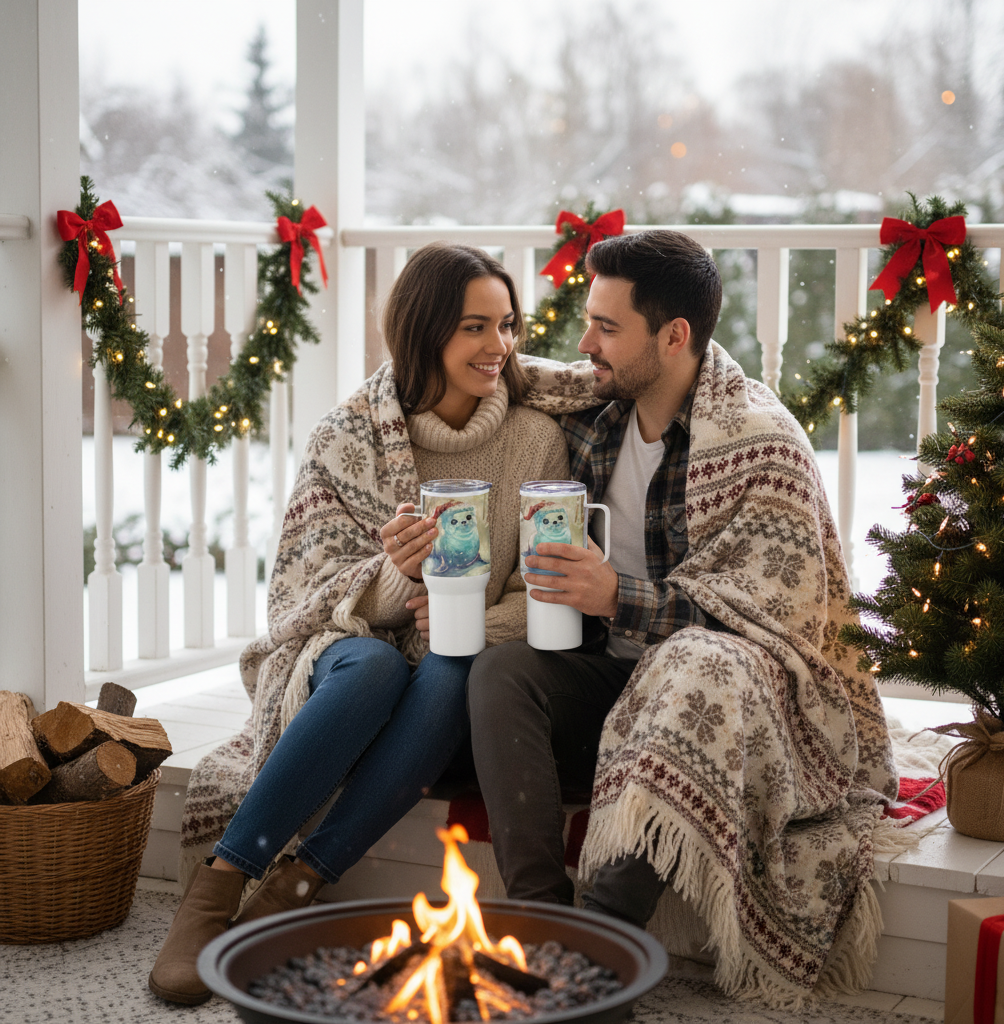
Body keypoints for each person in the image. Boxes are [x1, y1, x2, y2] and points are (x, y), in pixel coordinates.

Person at [467, 229, 899, 1005]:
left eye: (606, 327)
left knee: (699, 661)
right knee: (503, 670)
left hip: (732, 705)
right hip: (613, 677)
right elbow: (496, 379)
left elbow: (772, 626)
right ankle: (540, 930)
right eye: (588, 320)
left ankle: (599, 957)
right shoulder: (595, 415)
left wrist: (616, 596)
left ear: (674, 337)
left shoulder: (763, 445)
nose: (585, 342)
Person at [150, 242, 570, 1005]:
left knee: (454, 658)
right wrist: (395, 573)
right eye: (475, 327)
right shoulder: (349, 435)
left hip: (459, 657)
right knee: (377, 665)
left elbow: (535, 585)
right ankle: (217, 889)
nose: (499, 347)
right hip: (349, 649)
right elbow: (300, 598)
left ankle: (299, 884)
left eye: (507, 325)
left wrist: (467, 614)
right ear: (425, 330)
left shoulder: (536, 439)